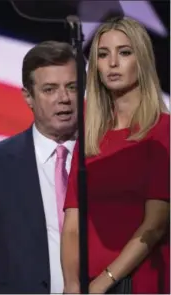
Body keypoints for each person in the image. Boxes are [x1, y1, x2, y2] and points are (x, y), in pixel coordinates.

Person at [0, 41, 78, 293]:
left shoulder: (109, 159)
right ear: (28, 97)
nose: (63, 99)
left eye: (72, 87)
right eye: (50, 89)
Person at [61, 17, 170, 294]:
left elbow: (155, 224)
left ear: (141, 60)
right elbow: (72, 225)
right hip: (88, 283)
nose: (112, 63)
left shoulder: (163, 130)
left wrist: (104, 282)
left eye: (124, 52)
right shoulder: (89, 136)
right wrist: (72, 285)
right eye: (102, 54)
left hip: (140, 281)